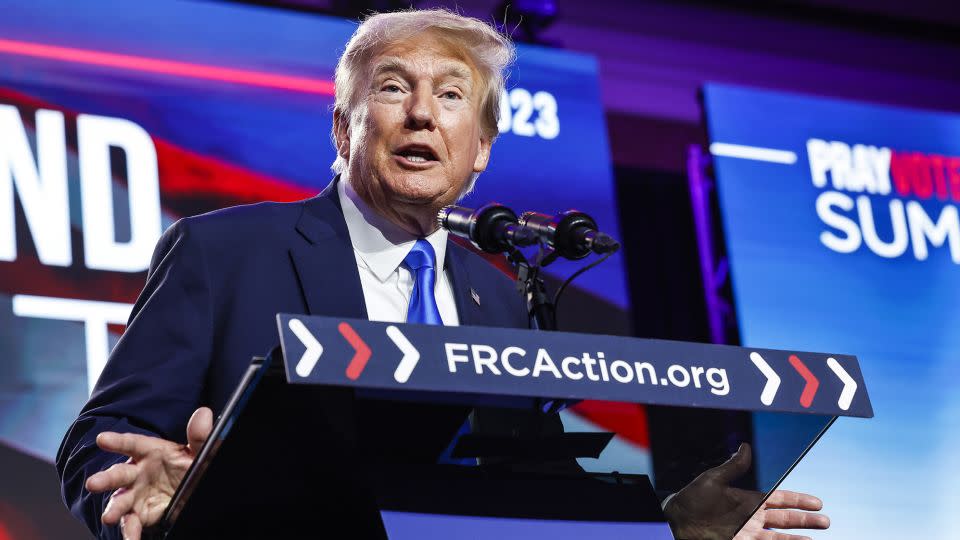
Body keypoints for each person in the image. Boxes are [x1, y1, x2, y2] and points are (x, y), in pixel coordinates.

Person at [56, 9, 829, 540]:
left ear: (482, 146)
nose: (423, 113)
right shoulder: (224, 251)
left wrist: (671, 526)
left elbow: (530, 501)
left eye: (452, 95)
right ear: (342, 127)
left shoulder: (504, 296)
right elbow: (97, 443)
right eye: (393, 87)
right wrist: (151, 494)